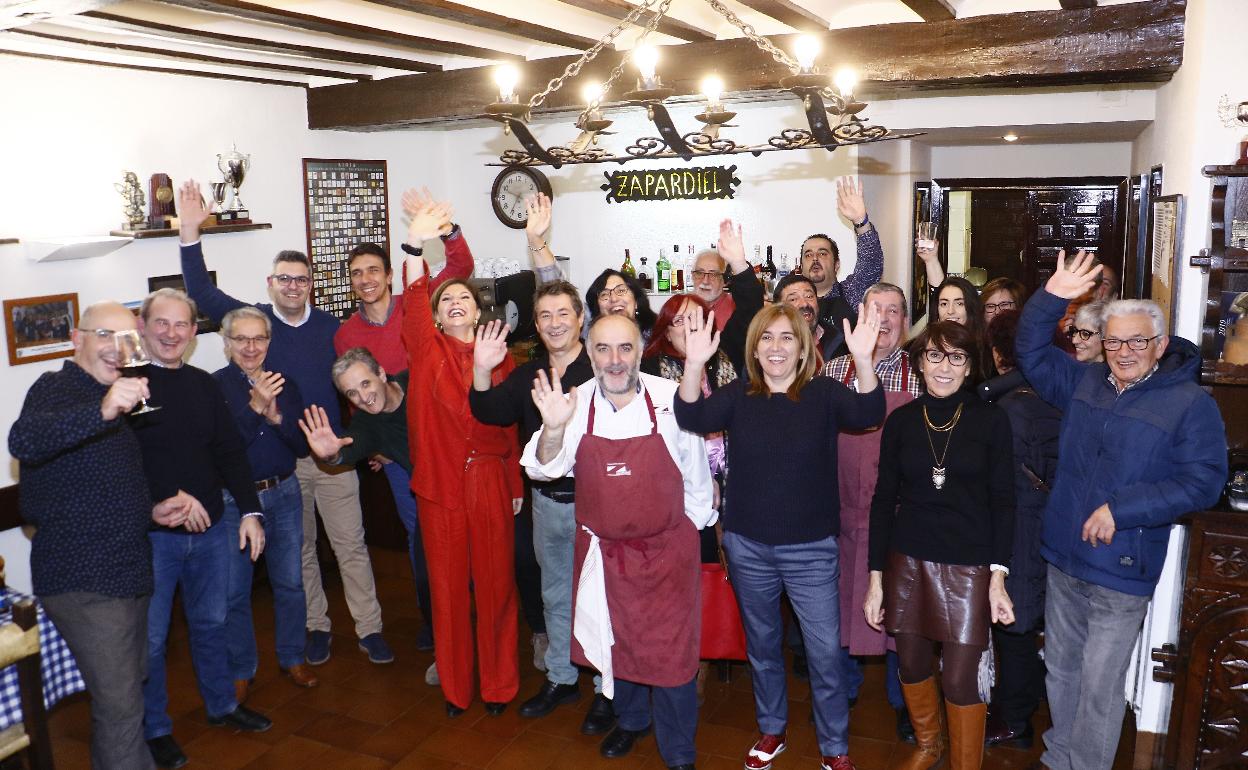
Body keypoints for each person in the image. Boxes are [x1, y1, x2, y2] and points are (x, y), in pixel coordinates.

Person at [1016, 252, 1227, 770]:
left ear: (1158, 344)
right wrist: (1053, 297)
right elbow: (1030, 350)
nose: (1125, 351)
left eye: (1137, 341)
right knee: (1060, 670)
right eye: (1114, 340)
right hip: (1065, 556)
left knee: (1099, 685)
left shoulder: (1190, 403)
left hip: (1121, 566)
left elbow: (1203, 482)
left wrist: (1124, 508)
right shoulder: (1086, 382)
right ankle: (1057, 758)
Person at [176, 181, 391, 667]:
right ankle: (317, 626)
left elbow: (364, 387)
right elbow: (199, 290)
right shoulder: (251, 322)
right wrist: (190, 233)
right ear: (270, 284)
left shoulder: (333, 330)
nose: (292, 286)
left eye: (301, 278)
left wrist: (375, 442)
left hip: (334, 457)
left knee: (351, 546)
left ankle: (370, 628)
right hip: (286, 464)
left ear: (311, 284)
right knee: (301, 555)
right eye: (283, 279)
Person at [676, 301, 886, 770]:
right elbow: (691, 416)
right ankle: (772, 729)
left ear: (803, 347)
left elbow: (870, 410)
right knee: (763, 647)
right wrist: (693, 364)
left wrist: (865, 359)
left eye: (787, 338)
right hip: (748, 546)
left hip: (812, 549)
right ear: (754, 348)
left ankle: (834, 746)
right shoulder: (737, 396)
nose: (776, 347)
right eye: (767, 338)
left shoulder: (825, 394)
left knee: (825, 652)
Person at [523, 313, 714, 770]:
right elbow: (541, 467)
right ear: (589, 354)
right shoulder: (574, 403)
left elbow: (697, 477)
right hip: (604, 554)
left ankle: (679, 750)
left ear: (641, 350)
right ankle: (630, 721)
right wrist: (551, 428)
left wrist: (686, 532)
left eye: (625, 348)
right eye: (603, 349)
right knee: (616, 642)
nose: (614, 360)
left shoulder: (671, 398)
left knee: (671, 656)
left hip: (667, 551)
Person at [8, 302, 172, 770]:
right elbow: (24, 441)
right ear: (77, 339)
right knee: (120, 706)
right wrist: (102, 410)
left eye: (127, 339)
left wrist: (153, 509)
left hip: (126, 569)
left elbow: (95, 485)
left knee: (128, 694)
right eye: (105, 335)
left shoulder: (117, 396)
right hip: (84, 578)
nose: (117, 349)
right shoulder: (57, 388)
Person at [865, 319, 1016, 770]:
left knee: (958, 679)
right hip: (907, 561)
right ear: (918, 364)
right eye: (934, 356)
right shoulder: (901, 422)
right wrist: (876, 579)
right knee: (911, 666)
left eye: (956, 357)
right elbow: (881, 501)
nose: (944, 367)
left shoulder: (992, 421)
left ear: (970, 365)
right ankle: (929, 745)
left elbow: (1005, 503)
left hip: (969, 567)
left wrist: (998, 577)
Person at [133, 288, 271, 769]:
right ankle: (154, 729)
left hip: (212, 529)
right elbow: (119, 466)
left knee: (212, 624)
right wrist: (162, 501)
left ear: (194, 333)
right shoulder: (125, 388)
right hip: (152, 537)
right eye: (162, 324)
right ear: (143, 326)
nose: (171, 334)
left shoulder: (202, 384)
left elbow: (229, 452)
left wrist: (251, 512)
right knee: (150, 641)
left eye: (181, 325)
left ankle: (222, 706)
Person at [400, 189, 524, 717]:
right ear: (435, 315)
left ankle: (499, 685)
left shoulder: (498, 357)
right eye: (445, 301)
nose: (455, 303)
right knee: (449, 594)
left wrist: (516, 485)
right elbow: (418, 287)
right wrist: (421, 237)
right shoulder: (424, 347)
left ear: (478, 309)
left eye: (464, 299)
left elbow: (514, 429)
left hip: (492, 480)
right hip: (441, 485)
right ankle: (456, 688)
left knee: (496, 587)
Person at [467, 281, 607, 727]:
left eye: (562, 313)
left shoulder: (603, 368)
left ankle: (608, 687)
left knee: (604, 601)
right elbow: (488, 410)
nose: (554, 323)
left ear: (580, 318)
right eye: (544, 316)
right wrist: (482, 369)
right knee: (554, 596)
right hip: (546, 504)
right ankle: (563, 679)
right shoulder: (530, 376)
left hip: (597, 505)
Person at [332, 228, 475, 654]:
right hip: (398, 457)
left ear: (391, 275)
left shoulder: (416, 302)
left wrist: (450, 232)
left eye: (373, 269)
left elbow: (460, 269)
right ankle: (437, 622)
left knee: (464, 530)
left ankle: (471, 613)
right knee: (422, 540)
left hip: (442, 441)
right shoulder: (345, 335)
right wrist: (372, 446)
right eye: (356, 273)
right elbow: (357, 401)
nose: (366, 279)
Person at [822, 282, 921, 742]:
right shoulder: (833, 371)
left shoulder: (921, 375)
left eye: (894, 311)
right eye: (875, 309)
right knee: (838, 605)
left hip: (898, 515)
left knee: (901, 612)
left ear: (905, 320)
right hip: (840, 511)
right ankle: (842, 692)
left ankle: (906, 703)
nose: (884, 319)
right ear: (859, 315)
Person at [214, 307, 317, 703]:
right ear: (227, 345)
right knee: (234, 592)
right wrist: (255, 409)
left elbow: (298, 445)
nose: (251, 347)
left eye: (259, 338)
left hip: (286, 492)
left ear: (269, 342)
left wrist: (277, 420)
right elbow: (223, 452)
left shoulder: (284, 384)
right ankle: (241, 669)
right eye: (241, 339)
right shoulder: (215, 387)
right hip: (236, 502)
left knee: (290, 583)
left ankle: (293, 656)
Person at [976, 309, 1061, 750]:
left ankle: (1015, 719)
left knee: (1015, 625)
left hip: (1019, 522)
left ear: (995, 353)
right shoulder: (1056, 393)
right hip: (1048, 519)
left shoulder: (1005, 409)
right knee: (1025, 621)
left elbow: (1001, 483)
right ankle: (1019, 709)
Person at [800, 177, 883, 309]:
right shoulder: (791, 303)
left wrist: (860, 221)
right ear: (800, 267)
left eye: (822, 253)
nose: (815, 258)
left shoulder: (851, 294)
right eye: (808, 255)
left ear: (837, 265)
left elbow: (871, 264)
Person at [773, 273, 854, 365]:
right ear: (779, 310)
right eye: (793, 299)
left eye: (809, 296)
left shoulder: (841, 344)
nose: (804, 304)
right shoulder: (771, 352)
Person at [585, 269, 658, 340]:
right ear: (597, 308)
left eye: (621, 290)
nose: (614, 299)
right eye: (604, 294)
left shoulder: (657, 336)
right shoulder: (591, 340)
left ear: (636, 301)